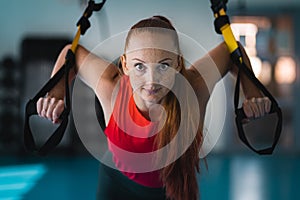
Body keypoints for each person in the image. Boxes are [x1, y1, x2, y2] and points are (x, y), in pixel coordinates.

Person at [36, 16, 271, 200]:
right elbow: (71, 52)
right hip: (116, 186)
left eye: (164, 66)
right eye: (139, 66)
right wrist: (56, 93)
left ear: (178, 63)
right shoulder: (112, 88)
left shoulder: (193, 89)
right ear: (125, 64)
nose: (151, 81)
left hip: (173, 191)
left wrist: (252, 93)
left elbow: (234, 50)